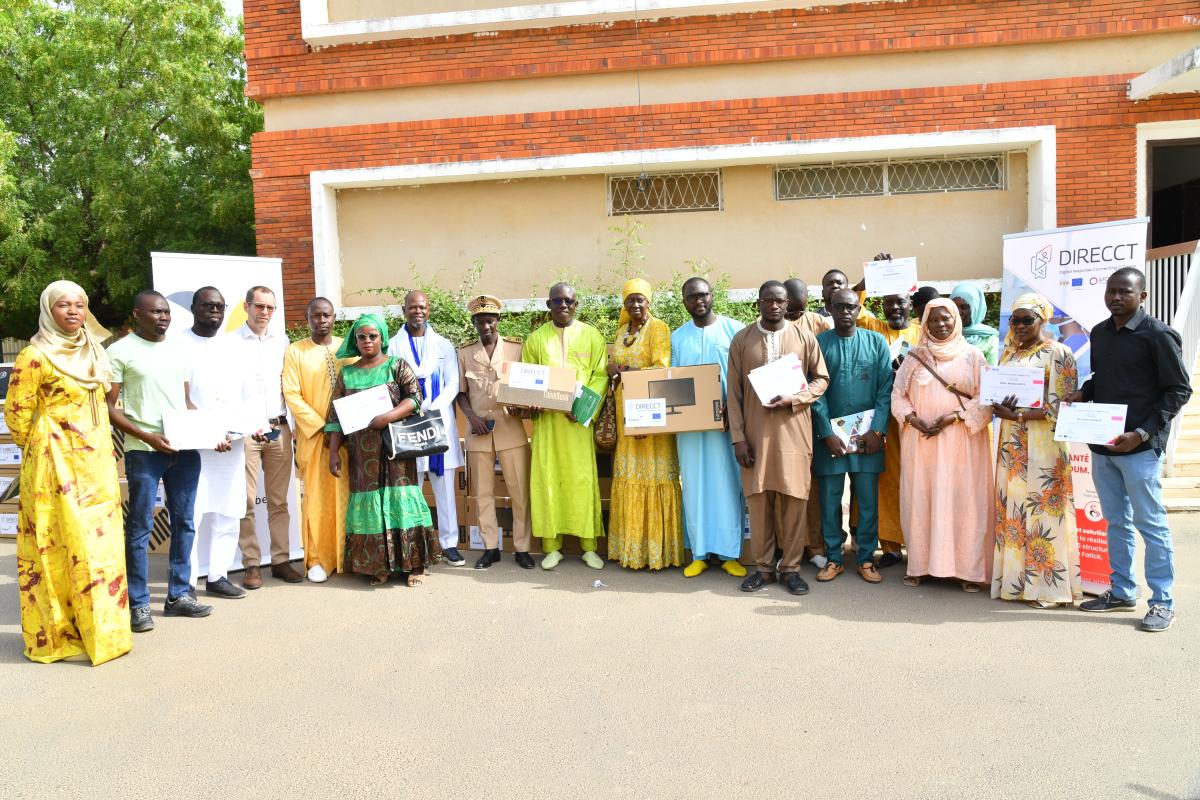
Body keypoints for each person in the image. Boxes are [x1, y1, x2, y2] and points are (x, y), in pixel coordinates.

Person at [7, 281, 132, 665]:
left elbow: (110, 394)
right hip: (53, 466)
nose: (73, 311)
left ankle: (103, 632)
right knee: (56, 545)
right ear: (49, 310)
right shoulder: (34, 355)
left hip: (96, 463)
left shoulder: (94, 350)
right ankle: (56, 633)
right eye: (64, 305)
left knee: (101, 546)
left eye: (80, 305)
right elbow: (17, 416)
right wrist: (50, 444)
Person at [1069, 268, 1192, 632]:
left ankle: (1163, 602)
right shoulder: (1101, 333)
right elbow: (1101, 380)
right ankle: (1122, 590)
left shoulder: (1158, 335)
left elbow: (1178, 391)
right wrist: (1082, 394)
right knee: (1115, 522)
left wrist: (1142, 433)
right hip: (1104, 446)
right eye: (1111, 291)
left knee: (1151, 525)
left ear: (1143, 296)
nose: (1116, 297)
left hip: (1139, 448)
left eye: (1125, 292)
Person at [106, 290, 212, 631]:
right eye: (155, 312)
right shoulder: (119, 352)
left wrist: (212, 433)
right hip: (144, 449)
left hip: (184, 449)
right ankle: (138, 604)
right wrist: (150, 437)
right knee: (140, 528)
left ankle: (178, 596)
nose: (163, 317)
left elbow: (184, 403)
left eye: (166, 312)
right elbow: (109, 408)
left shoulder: (178, 350)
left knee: (185, 522)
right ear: (137, 315)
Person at [728, 281, 829, 595]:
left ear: (788, 305)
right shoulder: (743, 339)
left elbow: (821, 378)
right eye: (768, 301)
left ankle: (791, 569)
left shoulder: (804, 337)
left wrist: (796, 397)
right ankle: (764, 568)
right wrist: (738, 438)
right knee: (759, 503)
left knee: (794, 500)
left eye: (779, 301)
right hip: (755, 435)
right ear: (757, 303)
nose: (774, 306)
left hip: (794, 433)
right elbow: (733, 393)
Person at [326, 314, 440, 586]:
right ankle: (379, 567)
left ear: (382, 339)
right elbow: (335, 416)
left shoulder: (396, 366)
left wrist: (386, 417)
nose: (367, 341)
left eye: (372, 336)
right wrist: (332, 453)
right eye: (361, 337)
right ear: (355, 341)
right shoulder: (348, 373)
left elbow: (415, 398)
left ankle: (415, 565)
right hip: (361, 453)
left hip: (395, 448)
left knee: (401, 500)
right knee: (370, 506)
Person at [891, 299, 991, 591]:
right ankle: (920, 565)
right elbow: (898, 394)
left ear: (956, 319)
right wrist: (912, 418)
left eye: (946, 318)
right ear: (924, 323)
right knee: (922, 499)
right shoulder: (914, 357)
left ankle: (967, 570)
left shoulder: (973, 356)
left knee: (962, 501)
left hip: (962, 442)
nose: (940, 324)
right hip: (922, 441)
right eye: (933, 320)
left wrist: (955, 417)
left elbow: (986, 398)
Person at [990, 293, 1081, 608]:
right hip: (1012, 444)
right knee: (1015, 511)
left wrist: (1016, 415)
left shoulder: (1059, 352)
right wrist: (998, 405)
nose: (1019, 325)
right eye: (1015, 320)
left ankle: (1047, 589)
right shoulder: (1009, 353)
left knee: (1043, 513)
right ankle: (1015, 584)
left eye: (1027, 319)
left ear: (1043, 320)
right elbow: (999, 395)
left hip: (1045, 443)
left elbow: (1063, 407)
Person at [522, 282, 609, 570]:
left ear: (576, 304)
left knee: (582, 481)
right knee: (548, 479)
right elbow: (528, 378)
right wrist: (532, 401)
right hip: (548, 424)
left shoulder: (592, 336)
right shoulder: (535, 339)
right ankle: (552, 547)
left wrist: (582, 409)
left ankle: (588, 547)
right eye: (557, 301)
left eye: (569, 301)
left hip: (577, 423)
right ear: (548, 305)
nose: (563, 306)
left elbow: (599, 376)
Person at [811, 289, 892, 584]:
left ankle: (866, 557)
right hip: (831, 440)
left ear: (860, 310)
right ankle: (834, 558)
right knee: (830, 499)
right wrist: (825, 432)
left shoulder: (876, 342)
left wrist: (878, 430)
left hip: (868, 438)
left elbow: (886, 388)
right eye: (839, 306)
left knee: (868, 500)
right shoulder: (819, 344)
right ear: (829, 309)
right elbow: (815, 391)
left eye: (851, 307)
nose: (845, 311)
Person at [671, 277, 747, 579]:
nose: (699, 300)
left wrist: (735, 410)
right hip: (690, 429)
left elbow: (743, 377)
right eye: (692, 296)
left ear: (712, 295)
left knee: (728, 485)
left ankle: (730, 553)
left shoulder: (735, 330)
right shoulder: (677, 337)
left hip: (728, 425)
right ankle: (699, 553)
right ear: (684, 302)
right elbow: (673, 380)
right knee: (694, 485)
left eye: (703, 294)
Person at [606, 278, 684, 570]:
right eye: (630, 300)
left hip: (649, 415)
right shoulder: (621, 331)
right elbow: (617, 368)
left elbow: (661, 369)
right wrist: (612, 369)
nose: (635, 305)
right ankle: (630, 550)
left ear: (649, 302)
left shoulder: (659, 328)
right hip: (625, 413)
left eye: (640, 299)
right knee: (630, 476)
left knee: (654, 477)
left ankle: (656, 554)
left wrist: (626, 372)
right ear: (624, 304)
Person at [180, 287, 251, 599]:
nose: (214, 311)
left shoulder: (234, 346)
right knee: (191, 514)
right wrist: (208, 434)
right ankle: (186, 581)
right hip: (193, 446)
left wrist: (254, 425)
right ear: (194, 307)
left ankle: (218, 576)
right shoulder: (177, 344)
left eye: (220, 306)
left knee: (228, 510)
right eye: (207, 305)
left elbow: (246, 396)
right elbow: (179, 397)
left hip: (231, 444)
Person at [455, 294, 535, 570]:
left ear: (497, 320)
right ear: (474, 323)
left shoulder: (515, 349)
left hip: (510, 430)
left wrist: (522, 406)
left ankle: (522, 548)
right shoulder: (465, 353)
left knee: (519, 492)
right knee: (483, 494)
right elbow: (460, 394)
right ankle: (490, 547)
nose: (485, 326)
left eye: (489, 320)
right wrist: (471, 418)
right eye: (480, 321)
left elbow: (528, 388)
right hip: (478, 432)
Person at [391, 290, 467, 567]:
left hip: (437, 422)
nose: (417, 311)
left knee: (445, 489)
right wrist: (412, 406)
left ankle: (449, 544)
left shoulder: (444, 346)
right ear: (404, 311)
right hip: (408, 424)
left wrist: (433, 405)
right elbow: (391, 385)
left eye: (422, 307)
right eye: (412, 307)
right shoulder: (392, 346)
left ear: (429, 310)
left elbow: (453, 383)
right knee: (411, 489)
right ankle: (412, 544)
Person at [282, 297, 355, 582]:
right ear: (307, 317)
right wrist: (323, 427)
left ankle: (347, 556)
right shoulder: (295, 351)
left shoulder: (346, 348)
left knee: (347, 496)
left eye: (326, 315)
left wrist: (345, 428)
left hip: (348, 438)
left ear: (334, 317)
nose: (321, 320)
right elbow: (292, 394)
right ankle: (318, 558)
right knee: (316, 498)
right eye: (315, 316)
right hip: (314, 438)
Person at [852, 267, 920, 567]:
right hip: (885, 420)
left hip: (918, 418)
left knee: (918, 480)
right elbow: (853, 303)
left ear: (910, 303)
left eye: (900, 301)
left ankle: (920, 544)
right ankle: (891, 546)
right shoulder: (874, 328)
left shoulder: (923, 331)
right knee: (889, 480)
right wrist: (873, 275)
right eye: (888, 302)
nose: (894, 307)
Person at [232, 286, 299, 589]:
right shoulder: (230, 344)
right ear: (246, 307)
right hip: (246, 432)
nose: (264, 313)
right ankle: (251, 565)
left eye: (270, 308)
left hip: (279, 429)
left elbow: (290, 386)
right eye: (259, 306)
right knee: (245, 501)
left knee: (278, 501)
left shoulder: (283, 342)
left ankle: (281, 560)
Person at [950, 282, 1000, 365]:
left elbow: (992, 373)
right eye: (954, 306)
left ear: (976, 308)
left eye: (964, 307)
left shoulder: (989, 339)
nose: (958, 312)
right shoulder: (944, 335)